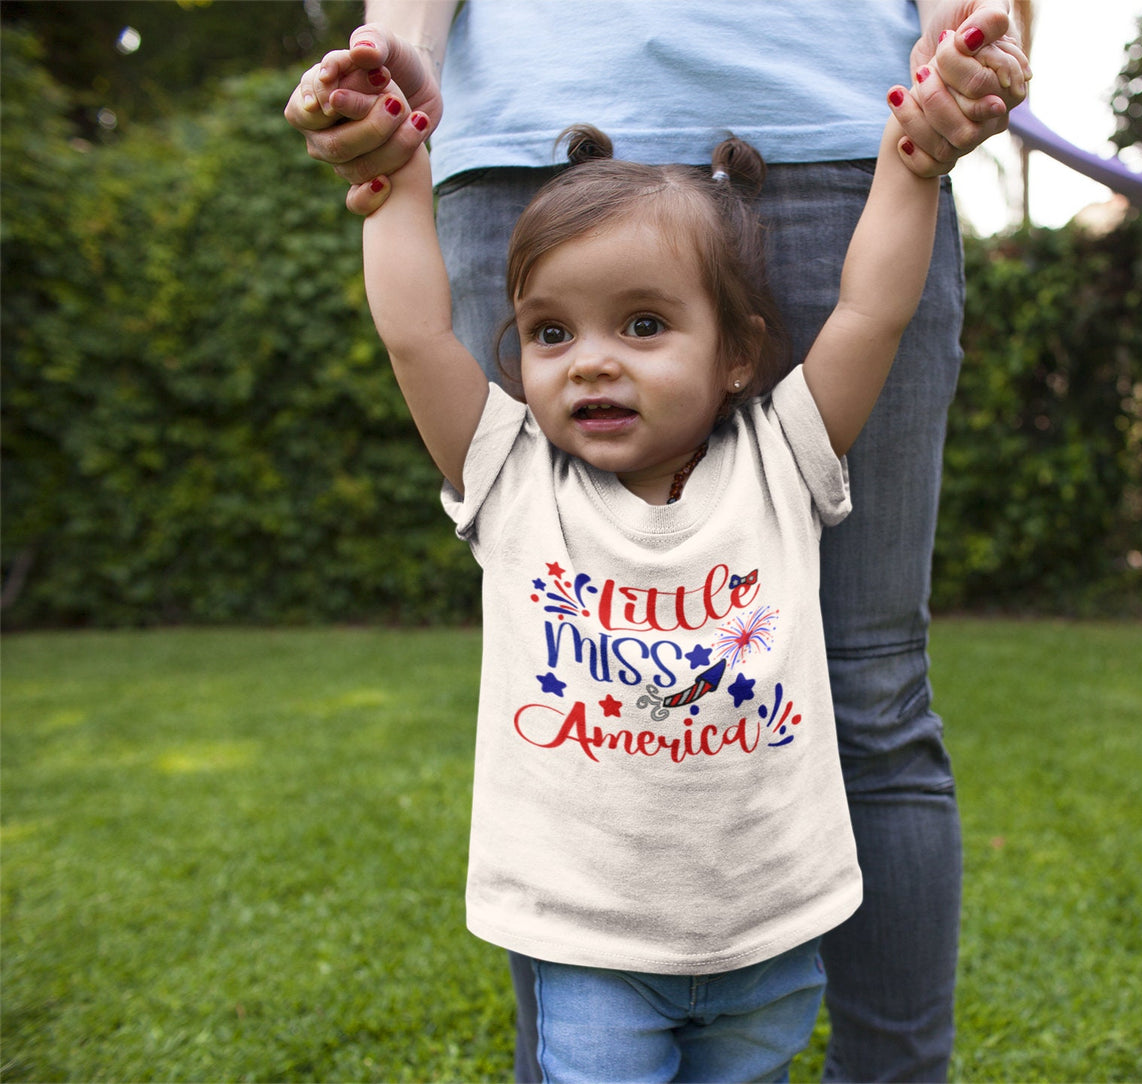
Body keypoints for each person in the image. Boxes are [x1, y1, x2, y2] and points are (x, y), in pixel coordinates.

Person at [285, 5, 1029, 1079]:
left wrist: (910, 162)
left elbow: (866, 314)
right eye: (550, 333)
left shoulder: (784, 464)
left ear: (741, 356)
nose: (589, 362)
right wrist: (397, 168)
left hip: (763, 961)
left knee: (877, 696)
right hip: (583, 958)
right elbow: (416, 331)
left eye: (641, 326)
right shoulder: (506, 474)